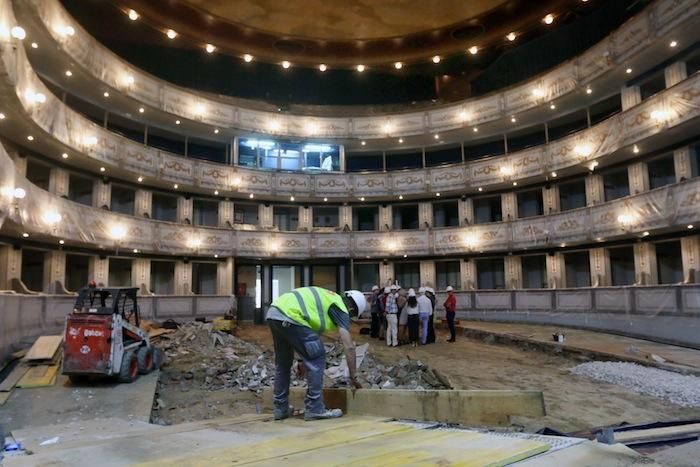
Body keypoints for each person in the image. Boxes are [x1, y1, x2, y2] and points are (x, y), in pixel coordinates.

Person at [266, 286, 365, 421]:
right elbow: (349, 347)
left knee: (283, 363)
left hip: (274, 312)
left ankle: (280, 408)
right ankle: (315, 408)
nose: (348, 320)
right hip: (291, 316)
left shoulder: (327, 301)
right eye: (351, 317)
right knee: (317, 358)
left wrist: (301, 361)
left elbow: (306, 338)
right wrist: (353, 376)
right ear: (352, 309)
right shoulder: (340, 308)